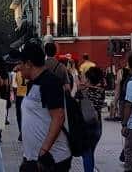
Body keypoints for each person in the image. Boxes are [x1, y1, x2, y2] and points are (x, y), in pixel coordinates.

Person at [17, 41, 71, 171]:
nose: (18, 67)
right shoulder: (32, 83)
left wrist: (44, 151)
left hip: (51, 160)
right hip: (34, 158)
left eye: (20, 63)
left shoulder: (50, 82)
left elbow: (58, 117)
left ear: (29, 64)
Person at [80, 65, 106, 172]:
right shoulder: (101, 91)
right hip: (98, 124)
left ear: (88, 79)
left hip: (86, 125)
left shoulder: (84, 92)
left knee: (86, 153)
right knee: (91, 152)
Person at [12, 64, 27, 141]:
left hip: (19, 96)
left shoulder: (17, 73)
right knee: (26, 115)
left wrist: (14, 96)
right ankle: (25, 132)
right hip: (27, 96)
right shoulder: (29, 73)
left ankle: (21, 131)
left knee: (19, 115)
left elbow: (14, 86)